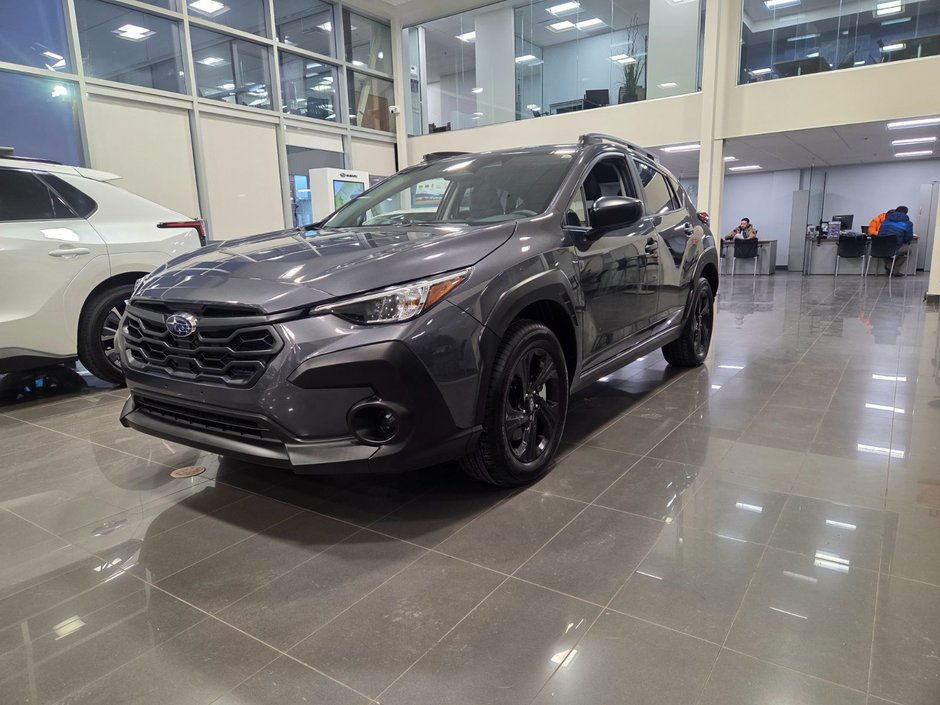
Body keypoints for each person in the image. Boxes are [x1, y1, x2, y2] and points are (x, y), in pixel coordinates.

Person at [876, 205, 914, 276]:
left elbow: (879, 234)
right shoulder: (908, 223)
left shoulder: (885, 221)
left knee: (884, 252)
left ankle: (889, 266)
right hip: (895, 247)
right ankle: (894, 269)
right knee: (908, 250)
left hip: (881, 247)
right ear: (906, 213)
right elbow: (908, 238)